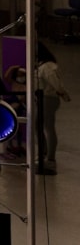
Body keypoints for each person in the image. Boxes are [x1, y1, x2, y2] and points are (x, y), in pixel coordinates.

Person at [36, 42, 70, 175]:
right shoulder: (40, 65)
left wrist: (64, 94)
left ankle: (50, 158)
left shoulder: (48, 66)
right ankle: (43, 152)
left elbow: (56, 84)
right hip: (41, 98)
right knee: (37, 126)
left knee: (48, 127)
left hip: (49, 99)